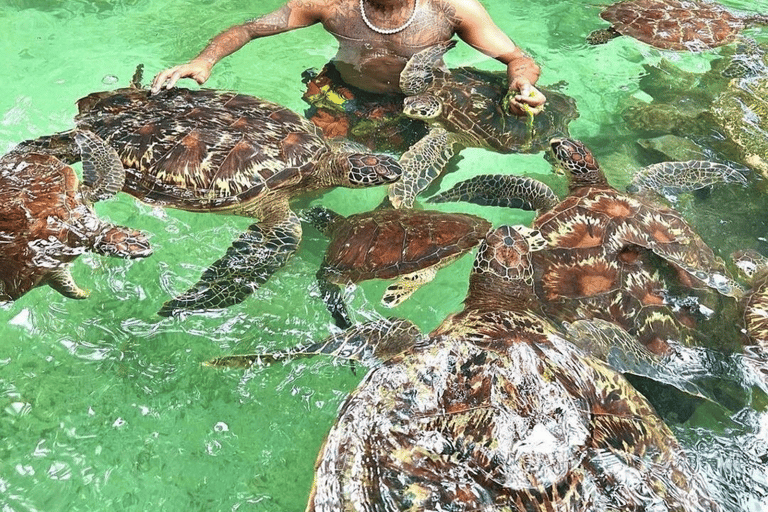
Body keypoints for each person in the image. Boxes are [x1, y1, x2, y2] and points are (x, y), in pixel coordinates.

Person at [151, 0, 546, 151]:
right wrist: (204, 60)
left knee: (413, 179)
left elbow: (516, 57)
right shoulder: (331, 4)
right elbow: (250, 28)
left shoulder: (452, 9)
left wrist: (522, 83)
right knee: (311, 163)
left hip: (424, 105)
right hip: (343, 94)